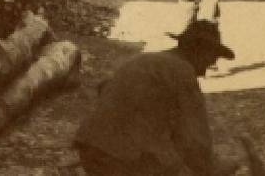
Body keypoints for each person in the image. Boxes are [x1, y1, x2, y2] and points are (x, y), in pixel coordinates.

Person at [73, 21, 241, 176]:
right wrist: (210, 168)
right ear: (198, 49)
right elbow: (195, 141)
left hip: (89, 148)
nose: (204, 71)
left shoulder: (142, 59)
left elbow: (104, 88)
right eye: (208, 61)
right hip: (122, 159)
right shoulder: (182, 71)